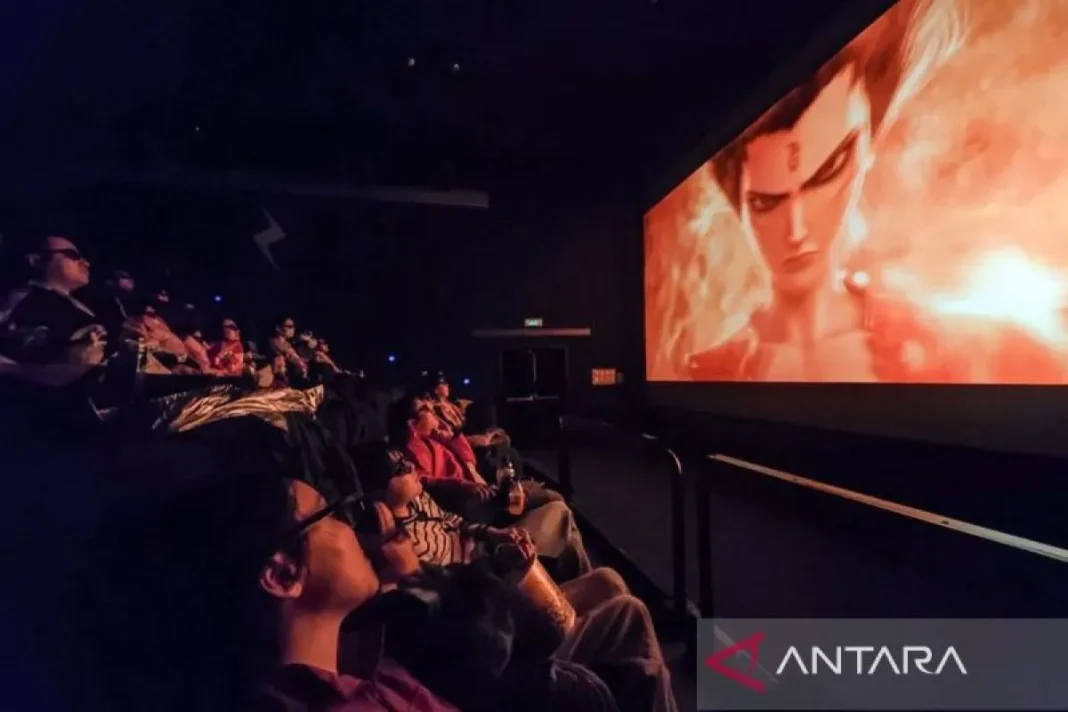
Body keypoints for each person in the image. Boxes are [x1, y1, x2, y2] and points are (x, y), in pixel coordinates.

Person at [683, 0, 1064, 384]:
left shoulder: (956, 348)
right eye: (767, 201)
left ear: (868, 147)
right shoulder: (709, 371)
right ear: (739, 203)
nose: (796, 230)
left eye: (826, 173)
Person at [83, 458, 462, 712]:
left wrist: (404, 580)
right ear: (282, 576)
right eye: (330, 513)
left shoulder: (365, 665)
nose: (351, 528)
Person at [361, 489, 676, 712]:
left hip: (505, 615)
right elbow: (493, 650)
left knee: (607, 580)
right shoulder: (404, 614)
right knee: (630, 615)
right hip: (523, 660)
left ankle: (620, 656)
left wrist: (496, 559)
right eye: (394, 535)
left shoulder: (417, 580)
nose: (404, 534)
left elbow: (456, 548)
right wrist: (502, 578)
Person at [0, 234, 107, 365]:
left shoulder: (77, 303)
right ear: (35, 260)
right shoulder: (22, 299)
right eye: (72, 255)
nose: (86, 263)